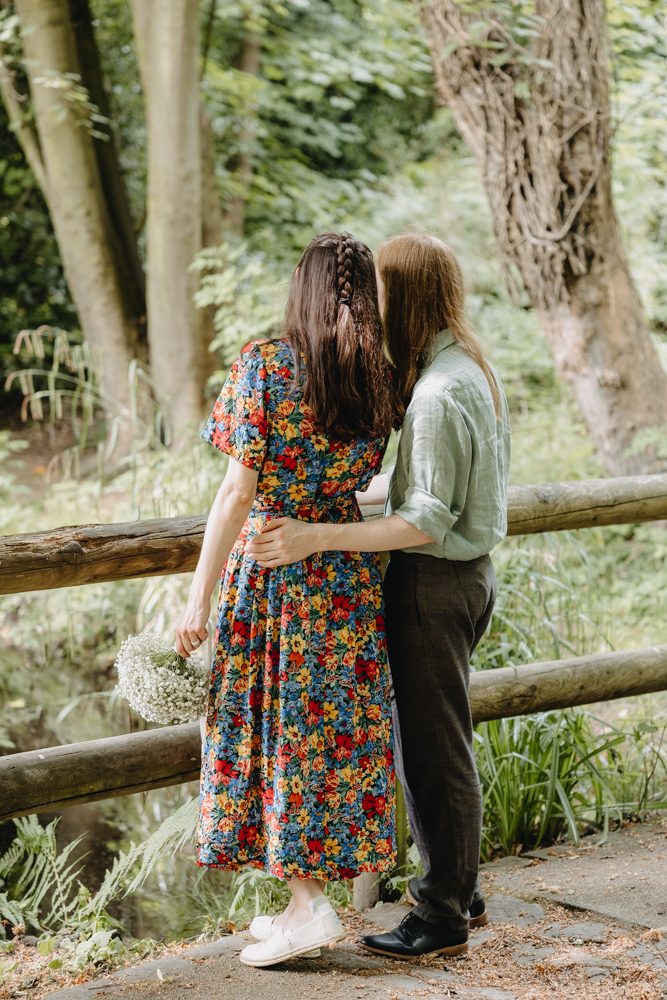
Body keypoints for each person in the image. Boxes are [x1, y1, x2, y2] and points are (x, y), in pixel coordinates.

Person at [246, 232, 511, 959]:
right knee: (432, 739)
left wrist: (312, 534)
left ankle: (442, 915)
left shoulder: (433, 393)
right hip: (463, 577)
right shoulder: (465, 368)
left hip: (434, 582)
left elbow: (426, 520)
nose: (370, 306)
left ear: (408, 296)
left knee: (432, 752)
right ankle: (458, 885)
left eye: (382, 293)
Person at [175, 232, 397, 968]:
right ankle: (303, 897)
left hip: (273, 572)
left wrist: (196, 597)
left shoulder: (265, 366)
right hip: (340, 574)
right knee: (325, 737)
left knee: (275, 733)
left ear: (299, 289)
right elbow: (362, 482)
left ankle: (308, 906)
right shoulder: (381, 377)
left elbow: (237, 490)